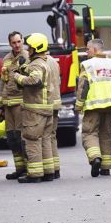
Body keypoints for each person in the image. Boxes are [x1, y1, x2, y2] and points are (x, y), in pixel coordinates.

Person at [76, 38, 111, 177]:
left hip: (93, 106)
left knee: (89, 133)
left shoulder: (87, 65)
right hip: (110, 106)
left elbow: (83, 87)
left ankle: (95, 159)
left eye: (87, 49)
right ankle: (106, 167)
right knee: (105, 135)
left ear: (94, 49)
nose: (86, 52)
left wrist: (78, 105)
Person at [10, 33, 53, 183]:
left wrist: (17, 77)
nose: (27, 49)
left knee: (32, 140)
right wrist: (24, 69)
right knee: (45, 140)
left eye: (30, 47)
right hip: (46, 108)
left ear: (36, 48)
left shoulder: (36, 64)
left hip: (34, 110)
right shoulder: (43, 62)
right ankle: (48, 171)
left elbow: (36, 80)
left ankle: (35, 174)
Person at [0, 31, 28, 179]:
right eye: (13, 42)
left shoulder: (28, 57)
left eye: (19, 42)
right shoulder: (6, 59)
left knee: (23, 137)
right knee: (12, 137)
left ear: (23, 41)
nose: (16, 45)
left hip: (22, 103)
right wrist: (0, 105)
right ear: (9, 43)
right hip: (8, 104)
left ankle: (29, 168)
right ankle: (19, 168)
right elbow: (3, 82)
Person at [43, 41, 62, 181]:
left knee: (45, 137)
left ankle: (49, 170)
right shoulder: (54, 62)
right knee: (52, 136)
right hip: (55, 103)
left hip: (45, 104)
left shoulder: (41, 63)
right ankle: (56, 169)